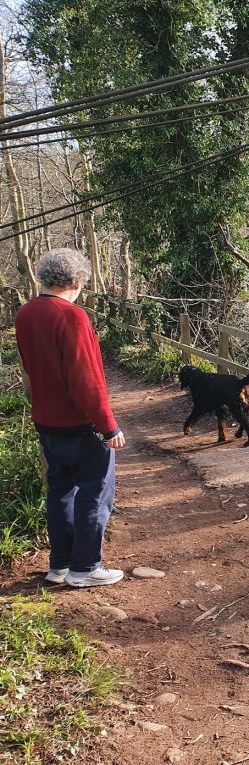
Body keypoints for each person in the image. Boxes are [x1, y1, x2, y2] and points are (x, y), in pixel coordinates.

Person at [14, 248, 126, 588]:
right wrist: (109, 426)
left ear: (45, 278)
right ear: (77, 282)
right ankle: (85, 567)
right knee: (95, 492)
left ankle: (60, 565)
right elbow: (86, 379)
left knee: (59, 493)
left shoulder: (26, 313)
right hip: (80, 425)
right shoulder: (72, 316)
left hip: (46, 420)